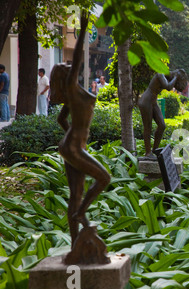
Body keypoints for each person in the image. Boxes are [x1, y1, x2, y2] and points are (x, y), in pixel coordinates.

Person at [50, 13, 111, 264]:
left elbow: (61, 121)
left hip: (71, 145)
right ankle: (80, 216)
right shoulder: (73, 88)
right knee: (105, 178)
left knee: (76, 194)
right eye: (68, 70)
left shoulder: (73, 96)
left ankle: (76, 245)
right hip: (74, 146)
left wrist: (69, 140)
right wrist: (83, 26)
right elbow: (75, 60)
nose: (70, 68)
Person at [138, 69, 188, 160]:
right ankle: (148, 153)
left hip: (153, 101)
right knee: (147, 127)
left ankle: (154, 150)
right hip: (146, 101)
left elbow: (177, 86)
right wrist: (176, 77)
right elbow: (168, 87)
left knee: (162, 125)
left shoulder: (168, 77)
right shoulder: (160, 74)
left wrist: (178, 78)